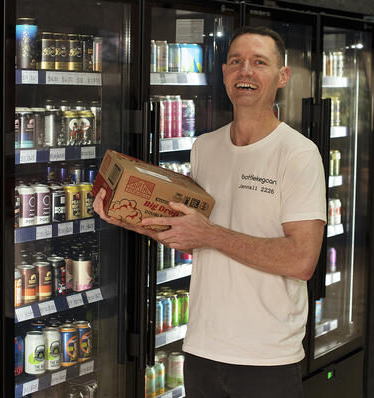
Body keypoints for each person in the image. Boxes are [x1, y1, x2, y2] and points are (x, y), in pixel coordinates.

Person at [93, 26, 326, 397]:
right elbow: (191, 232)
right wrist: (128, 216)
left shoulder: (298, 154)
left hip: (266, 358)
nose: (245, 71)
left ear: (283, 77)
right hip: (201, 348)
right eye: (236, 61)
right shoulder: (205, 146)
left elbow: (302, 259)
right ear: (223, 73)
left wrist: (210, 234)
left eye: (259, 62)